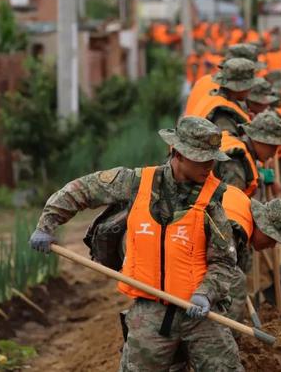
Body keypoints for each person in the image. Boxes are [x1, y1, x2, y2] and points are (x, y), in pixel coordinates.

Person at [29, 116, 243, 371]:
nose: (208, 165)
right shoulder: (136, 182)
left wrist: (206, 293)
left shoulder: (213, 200)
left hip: (199, 314)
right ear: (177, 153)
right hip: (151, 311)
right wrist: (46, 224)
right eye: (200, 157)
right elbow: (81, 190)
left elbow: (224, 261)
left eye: (211, 158)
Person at [223, 187, 281, 324]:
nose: (272, 246)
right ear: (265, 227)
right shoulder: (235, 229)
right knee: (237, 281)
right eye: (273, 239)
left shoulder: (242, 203)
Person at [214, 109, 281, 198]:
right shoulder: (235, 161)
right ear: (259, 139)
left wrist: (262, 177)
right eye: (272, 147)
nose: (273, 154)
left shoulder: (244, 149)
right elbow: (233, 202)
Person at [190, 57, 255, 134]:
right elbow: (229, 143)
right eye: (248, 85)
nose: (250, 88)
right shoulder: (222, 116)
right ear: (239, 87)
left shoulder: (213, 96)